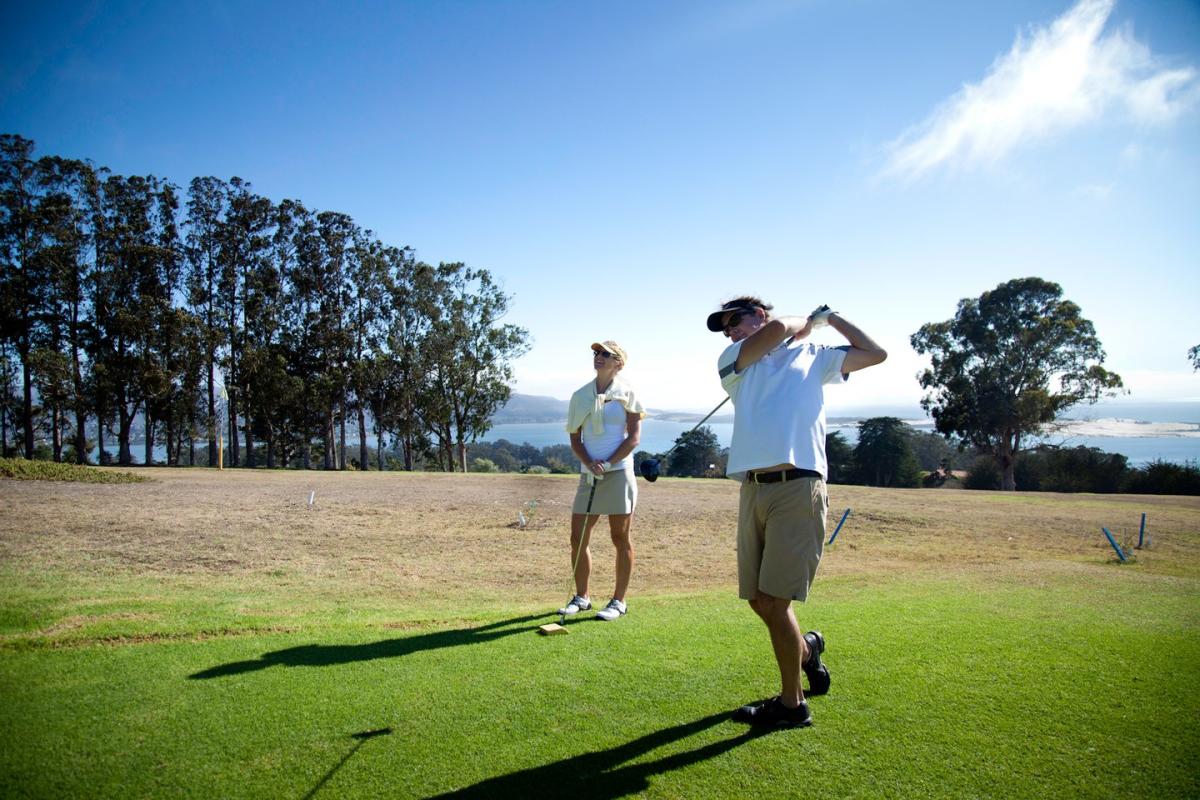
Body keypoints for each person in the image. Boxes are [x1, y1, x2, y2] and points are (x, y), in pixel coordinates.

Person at [707, 296, 886, 728]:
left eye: (736, 321)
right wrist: (804, 322)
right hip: (752, 488)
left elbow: (875, 354)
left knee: (774, 599)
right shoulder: (734, 359)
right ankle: (807, 650)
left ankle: (792, 704)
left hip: (799, 484)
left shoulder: (815, 358)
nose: (730, 331)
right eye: (726, 326)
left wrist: (833, 319)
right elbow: (774, 334)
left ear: (760, 314)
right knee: (758, 600)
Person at [558, 340, 645, 622]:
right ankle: (582, 597)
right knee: (578, 537)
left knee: (620, 537)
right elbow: (575, 438)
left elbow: (633, 438)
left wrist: (607, 463)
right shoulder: (580, 395)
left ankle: (618, 601)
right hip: (589, 475)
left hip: (618, 472)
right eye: (596, 353)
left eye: (606, 354)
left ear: (619, 363)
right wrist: (589, 463)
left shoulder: (627, 393)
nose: (598, 357)